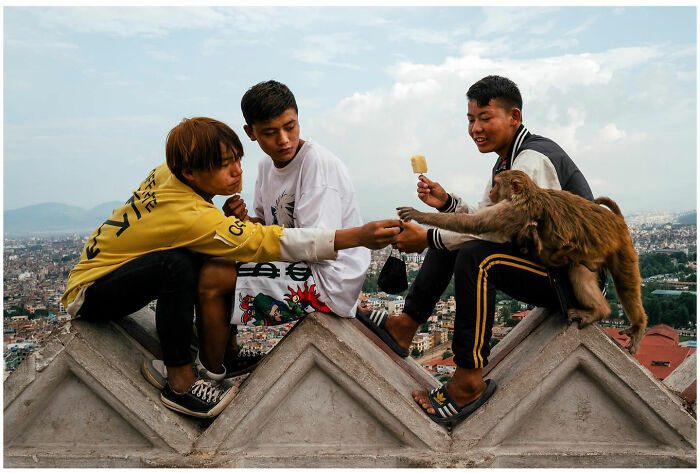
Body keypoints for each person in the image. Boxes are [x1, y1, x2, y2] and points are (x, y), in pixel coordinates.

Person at [61, 116, 401, 419]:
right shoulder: (190, 215)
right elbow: (266, 242)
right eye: (224, 165)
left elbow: (206, 227)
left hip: (113, 271)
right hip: (92, 292)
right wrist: (354, 235)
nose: (237, 170)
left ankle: (229, 350)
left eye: (237, 159)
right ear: (191, 172)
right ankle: (179, 381)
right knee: (177, 266)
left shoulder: (169, 172)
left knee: (216, 252)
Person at [357, 75, 597, 426]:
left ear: (513, 117)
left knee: (474, 256)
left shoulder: (530, 162)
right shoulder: (508, 160)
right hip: (547, 265)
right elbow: (484, 221)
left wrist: (425, 239)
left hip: (576, 282)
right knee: (451, 233)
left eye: (485, 118)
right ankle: (404, 327)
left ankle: (468, 379)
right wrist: (448, 204)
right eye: (471, 119)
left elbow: (495, 231)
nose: (475, 128)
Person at [144, 80, 373, 384]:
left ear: (298, 119)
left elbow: (316, 245)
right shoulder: (267, 167)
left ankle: (208, 374)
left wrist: (249, 231)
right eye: (270, 132)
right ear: (250, 133)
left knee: (213, 278)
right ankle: (228, 351)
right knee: (214, 256)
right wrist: (243, 219)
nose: (284, 140)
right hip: (303, 262)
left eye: (290, 127)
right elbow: (267, 230)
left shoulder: (317, 166)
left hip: (328, 279)